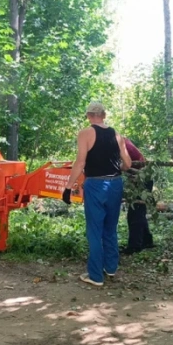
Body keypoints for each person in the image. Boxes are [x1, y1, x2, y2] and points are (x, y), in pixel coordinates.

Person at [62, 102, 132, 286]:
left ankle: (95, 276)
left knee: (94, 230)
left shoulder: (85, 133)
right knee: (110, 227)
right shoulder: (116, 135)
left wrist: (68, 187)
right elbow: (128, 163)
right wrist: (120, 169)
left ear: (89, 116)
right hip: (115, 184)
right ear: (104, 115)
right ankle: (111, 268)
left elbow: (80, 163)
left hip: (95, 184)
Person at [120, 137, 154, 255]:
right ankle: (147, 240)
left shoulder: (120, 145)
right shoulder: (122, 141)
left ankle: (135, 246)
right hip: (141, 177)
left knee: (135, 213)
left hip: (141, 179)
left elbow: (124, 165)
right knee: (139, 211)